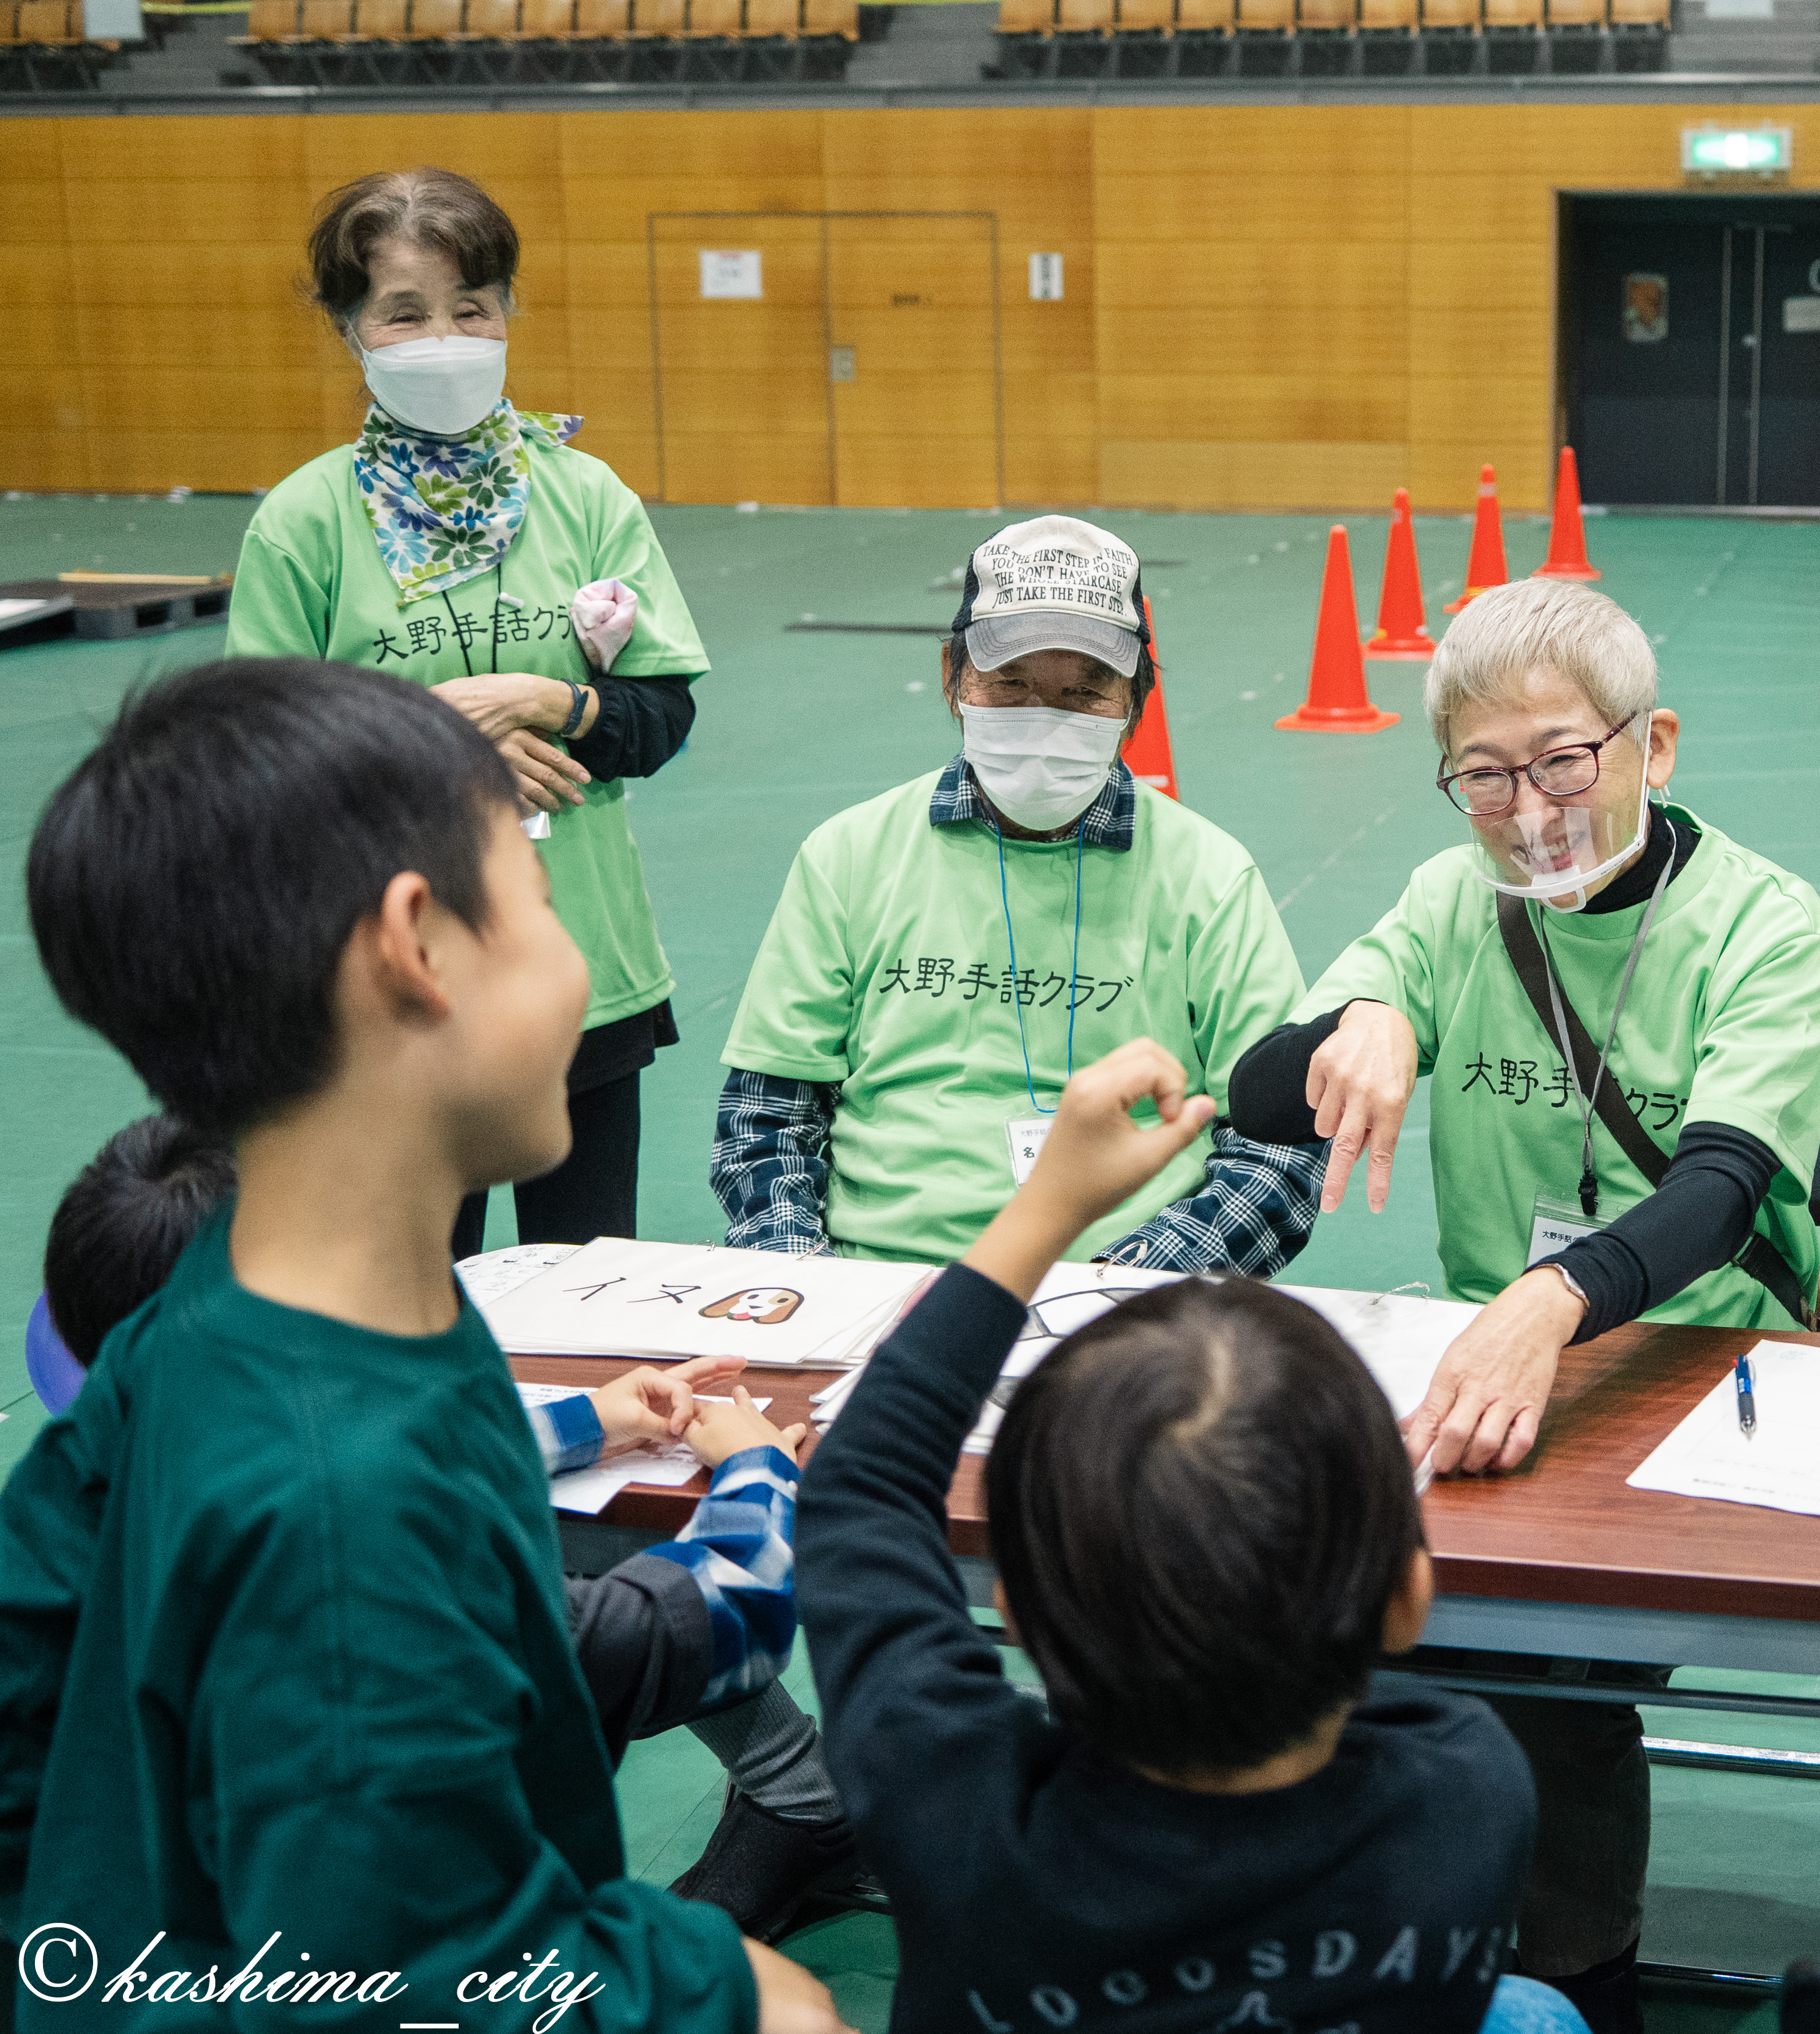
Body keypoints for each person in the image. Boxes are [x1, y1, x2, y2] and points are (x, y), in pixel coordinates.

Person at [0, 657, 842, 2034]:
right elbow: (416, 1977)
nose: (576, 962)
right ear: (417, 948)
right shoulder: (344, 1513)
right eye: (545, 904)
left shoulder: (210, 1318)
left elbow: (30, 1665)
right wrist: (718, 1988)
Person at [1226, 576, 1820, 2034]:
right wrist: (1361, 1021)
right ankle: (1394, 1949)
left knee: (1521, 1655)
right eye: (1484, 776)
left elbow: (1722, 1189)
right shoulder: (1454, 899)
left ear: (1652, 744)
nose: (1527, 813)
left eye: (1564, 761)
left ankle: (1570, 1974)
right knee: (1284, 1577)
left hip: (1701, 1363)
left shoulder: (1765, 924)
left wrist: (1551, 1297)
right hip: (1483, 1358)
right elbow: (1260, 1092)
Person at [796, 1037, 1571, 2034]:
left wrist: (1047, 1209)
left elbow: (859, 1487)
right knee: (1532, 2012)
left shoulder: (950, 1808)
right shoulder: (1468, 1788)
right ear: (1406, 1597)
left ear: (1018, 1612)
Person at [36, 1112, 858, 1940]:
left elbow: (355, 1450)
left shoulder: (60, 1516)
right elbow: (706, 1620)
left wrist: (584, 1423)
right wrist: (759, 1468)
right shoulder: (381, 1589)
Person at [224, 165, 709, 1259]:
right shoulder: (303, 524)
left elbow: (661, 714)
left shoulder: (586, 496)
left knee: (589, 1286)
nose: (443, 339)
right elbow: (256, 772)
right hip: (400, 982)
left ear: (506, 315)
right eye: (405, 313)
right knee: (412, 1289)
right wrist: (434, 745)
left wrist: (552, 700)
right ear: (350, 329)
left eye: (470, 309)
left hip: (581, 965)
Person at [715, 515, 1323, 1273]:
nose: (1044, 717)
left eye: (1084, 690)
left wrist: (1122, 1290)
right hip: (875, 1273)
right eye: (1010, 683)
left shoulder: (1210, 877)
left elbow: (1280, 1145)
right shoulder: (847, 858)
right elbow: (765, 1119)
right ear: (952, 676)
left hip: (1114, 1290)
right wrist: (807, 1283)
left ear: (1136, 699)